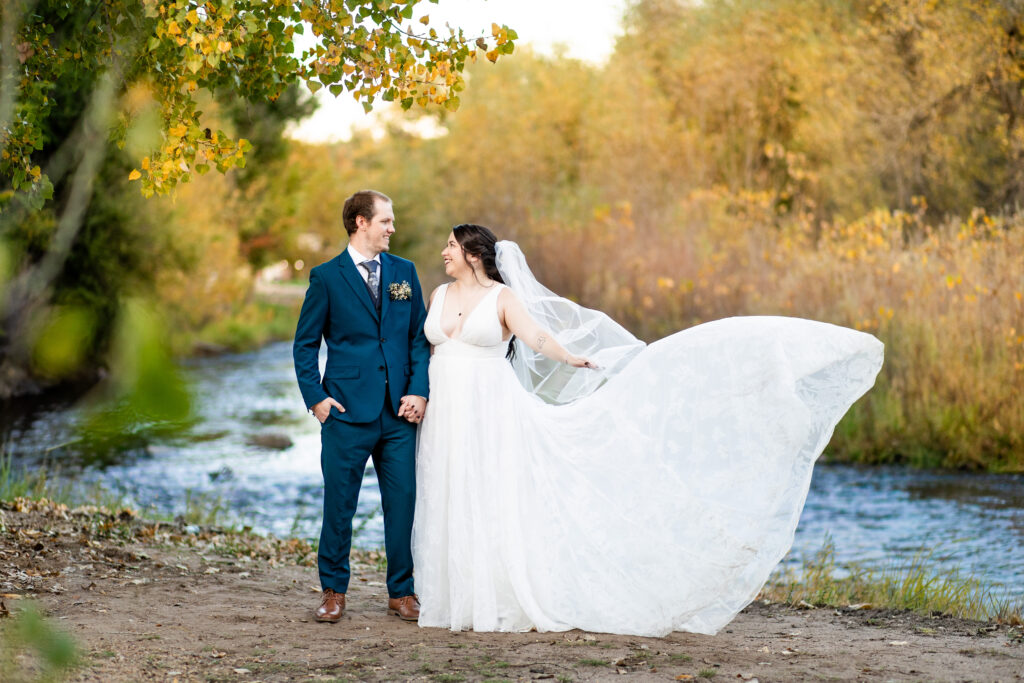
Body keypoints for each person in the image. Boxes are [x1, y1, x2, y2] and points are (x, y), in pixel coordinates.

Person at [412, 224, 883, 637]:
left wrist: (569, 356)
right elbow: (424, 349)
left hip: (491, 407)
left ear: (473, 254)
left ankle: (494, 596)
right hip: (447, 409)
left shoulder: (502, 298)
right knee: (449, 490)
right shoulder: (438, 295)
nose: (444, 252)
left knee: (490, 492)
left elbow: (534, 336)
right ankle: (455, 598)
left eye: (451, 245)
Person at [293, 190, 430, 624]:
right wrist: (317, 400)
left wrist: (419, 391)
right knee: (339, 505)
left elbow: (418, 339)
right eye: (385, 221)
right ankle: (334, 591)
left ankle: (402, 592)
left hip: (399, 412)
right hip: (345, 411)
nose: (392, 228)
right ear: (361, 222)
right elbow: (304, 345)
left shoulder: (404, 272)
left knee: (403, 503)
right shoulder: (326, 277)